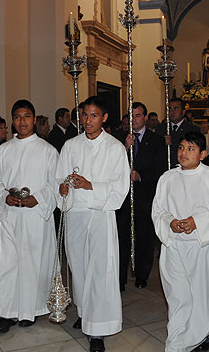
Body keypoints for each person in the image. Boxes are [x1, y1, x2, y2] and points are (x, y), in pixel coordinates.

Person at [56, 96, 130, 352]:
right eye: (84, 115)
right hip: (75, 213)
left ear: (104, 117)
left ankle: (97, 328)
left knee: (100, 269)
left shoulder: (114, 148)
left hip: (101, 215)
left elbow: (121, 188)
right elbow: (59, 180)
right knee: (79, 266)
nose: (88, 120)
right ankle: (85, 313)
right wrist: (63, 188)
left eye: (94, 115)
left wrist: (90, 185)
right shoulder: (70, 146)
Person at [152, 131, 209, 352]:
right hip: (175, 246)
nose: (183, 153)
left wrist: (196, 221)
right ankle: (178, 340)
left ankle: (198, 335)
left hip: (201, 246)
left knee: (202, 295)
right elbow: (158, 210)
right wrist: (170, 221)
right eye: (181, 147)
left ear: (203, 154)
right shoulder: (167, 178)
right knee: (178, 296)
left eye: (191, 149)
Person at [0, 99, 58, 333]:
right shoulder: (3, 151)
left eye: (27, 116)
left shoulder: (48, 151)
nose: (22, 121)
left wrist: (38, 198)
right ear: (13, 121)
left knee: (33, 264)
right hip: (11, 217)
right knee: (9, 263)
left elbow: (55, 184)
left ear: (34, 120)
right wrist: (5, 197)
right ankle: (6, 312)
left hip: (36, 217)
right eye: (17, 117)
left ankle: (30, 310)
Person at [116, 102, 166, 290]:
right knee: (122, 237)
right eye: (131, 116)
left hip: (145, 196)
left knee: (144, 237)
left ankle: (141, 274)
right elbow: (111, 166)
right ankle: (120, 277)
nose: (134, 120)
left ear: (145, 118)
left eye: (138, 116)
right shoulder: (120, 139)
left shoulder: (156, 141)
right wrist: (125, 148)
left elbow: (161, 170)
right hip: (122, 198)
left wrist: (141, 176)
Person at [155, 98, 201, 167]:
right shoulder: (161, 128)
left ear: (183, 112)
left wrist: (173, 142)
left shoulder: (192, 129)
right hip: (165, 167)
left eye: (176, 109)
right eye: (170, 109)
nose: (172, 112)